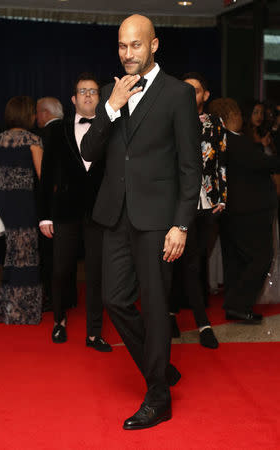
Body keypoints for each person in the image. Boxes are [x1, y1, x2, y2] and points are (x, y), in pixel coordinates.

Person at [81, 15, 201, 430]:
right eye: (121, 45)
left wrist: (181, 224)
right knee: (114, 299)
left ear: (153, 45)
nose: (127, 53)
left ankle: (158, 396)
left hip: (156, 220)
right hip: (115, 215)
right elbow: (90, 151)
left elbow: (190, 167)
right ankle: (160, 368)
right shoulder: (112, 94)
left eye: (135, 45)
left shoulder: (178, 94)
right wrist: (110, 107)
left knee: (153, 306)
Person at [39, 73, 111, 351]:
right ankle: (59, 321)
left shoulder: (109, 129)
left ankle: (94, 333)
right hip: (65, 211)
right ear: (73, 99)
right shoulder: (56, 131)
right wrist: (44, 215)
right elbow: (46, 176)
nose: (88, 95)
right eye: (82, 91)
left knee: (96, 273)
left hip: (99, 212)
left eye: (93, 91)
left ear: (100, 97)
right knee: (61, 269)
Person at [209, 98, 280, 323]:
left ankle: (234, 306)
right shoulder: (235, 141)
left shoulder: (221, 141)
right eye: (238, 112)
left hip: (233, 211)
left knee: (236, 262)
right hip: (250, 211)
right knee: (261, 258)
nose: (241, 116)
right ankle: (238, 305)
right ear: (229, 116)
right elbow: (264, 164)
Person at [169, 72, 226, 349]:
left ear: (206, 95)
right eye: (186, 89)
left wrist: (222, 197)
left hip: (209, 203)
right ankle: (203, 324)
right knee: (189, 262)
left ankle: (170, 313)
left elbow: (222, 162)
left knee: (194, 260)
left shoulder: (216, 123)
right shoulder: (174, 119)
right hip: (183, 202)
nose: (191, 94)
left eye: (196, 90)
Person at [0, 96, 43, 324]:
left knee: (12, 249)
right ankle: (23, 310)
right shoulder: (33, 140)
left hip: (4, 199)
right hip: (25, 199)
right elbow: (43, 175)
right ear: (27, 115)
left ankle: (8, 306)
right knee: (27, 251)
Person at [36, 97, 64, 312]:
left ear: (45, 113)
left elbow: (44, 175)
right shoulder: (69, 129)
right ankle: (66, 298)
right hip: (68, 200)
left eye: (38, 112)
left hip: (51, 202)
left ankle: (55, 300)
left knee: (50, 255)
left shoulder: (45, 135)